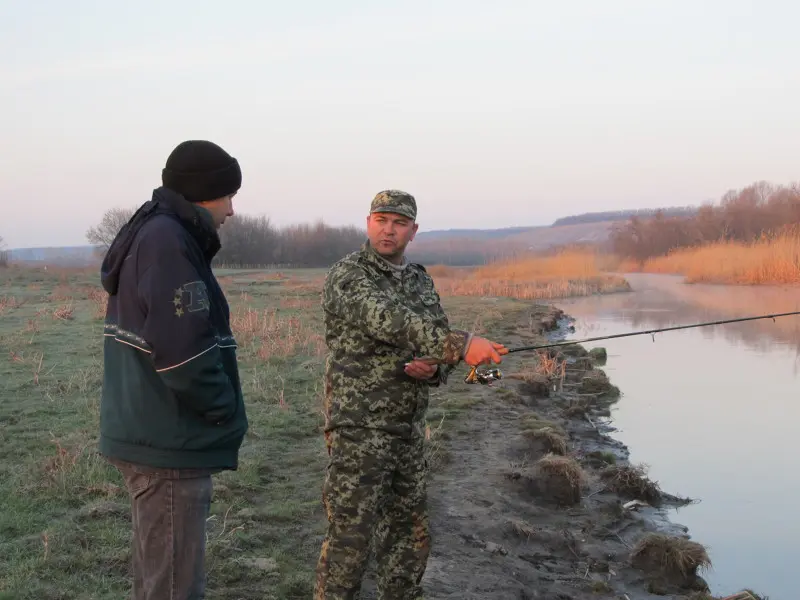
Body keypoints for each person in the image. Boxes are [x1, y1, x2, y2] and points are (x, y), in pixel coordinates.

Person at [314, 190, 507, 599]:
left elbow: (435, 336)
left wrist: (436, 367)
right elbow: (389, 321)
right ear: (368, 222)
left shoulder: (419, 279)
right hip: (360, 426)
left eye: (399, 222)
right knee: (352, 537)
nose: (389, 229)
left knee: (409, 534)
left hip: (407, 428)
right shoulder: (349, 275)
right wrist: (462, 343)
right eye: (381, 219)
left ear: (413, 231)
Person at [98, 140, 249, 599]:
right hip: (169, 441)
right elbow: (184, 352)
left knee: (159, 580)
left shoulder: (159, 233)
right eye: (229, 196)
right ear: (207, 193)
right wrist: (222, 409)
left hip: (156, 433)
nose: (232, 210)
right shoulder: (168, 241)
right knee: (174, 588)